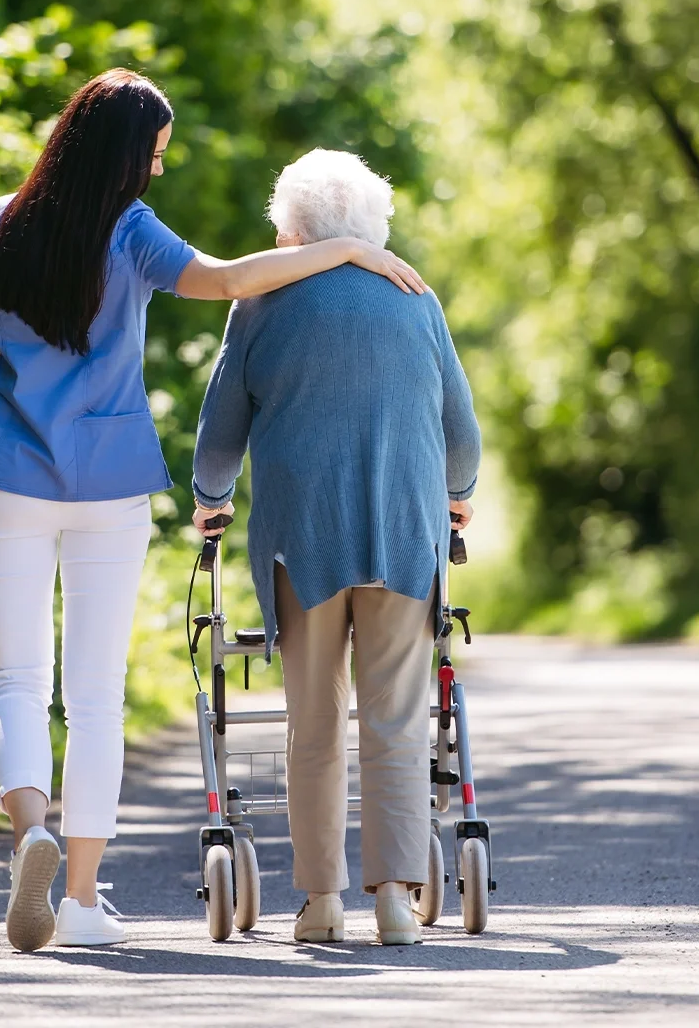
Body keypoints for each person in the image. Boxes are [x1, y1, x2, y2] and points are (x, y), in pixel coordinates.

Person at [0, 72, 429, 952]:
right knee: (95, 696)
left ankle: (31, 836)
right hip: (110, 484)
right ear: (124, 155)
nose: (159, 173)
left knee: (16, 682)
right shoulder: (128, 231)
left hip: (8, 478)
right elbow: (228, 278)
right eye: (156, 155)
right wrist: (347, 251)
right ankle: (83, 899)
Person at [190, 148, 481, 945]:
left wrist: (209, 503)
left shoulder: (260, 304)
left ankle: (321, 903)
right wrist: (459, 497)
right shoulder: (416, 298)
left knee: (313, 722)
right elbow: (461, 429)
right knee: (395, 716)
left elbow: (220, 431)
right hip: (402, 530)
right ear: (370, 228)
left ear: (294, 229)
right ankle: (394, 898)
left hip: (301, 540)